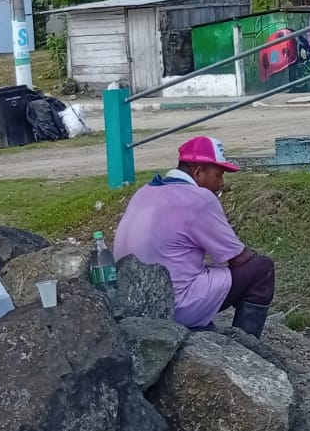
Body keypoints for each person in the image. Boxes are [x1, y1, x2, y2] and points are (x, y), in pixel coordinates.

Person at [113, 136, 274, 337]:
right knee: (262, 269)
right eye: (218, 174)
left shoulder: (144, 191)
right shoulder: (199, 199)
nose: (221, 183)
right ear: (198, 172)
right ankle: (246, 343)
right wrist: (253, 255)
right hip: (175, 306)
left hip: (133, 300)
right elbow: (238, 258)